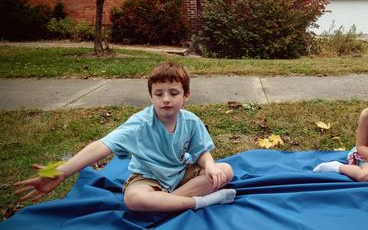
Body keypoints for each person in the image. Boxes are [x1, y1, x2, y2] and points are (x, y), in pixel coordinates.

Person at [15, 61, 236, 212]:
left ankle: (168, 202)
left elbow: (201, 153)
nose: (166, 99)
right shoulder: (139, 123)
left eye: (173, 93)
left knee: (225, 171)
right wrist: (62, 172)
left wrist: (210, 166)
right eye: (159, 94)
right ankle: (198, 202)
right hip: (148, 179)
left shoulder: (190, 121)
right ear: (151, 97)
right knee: (133, 199)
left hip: (181, 174)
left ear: (186, 95)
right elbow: (102, 146)